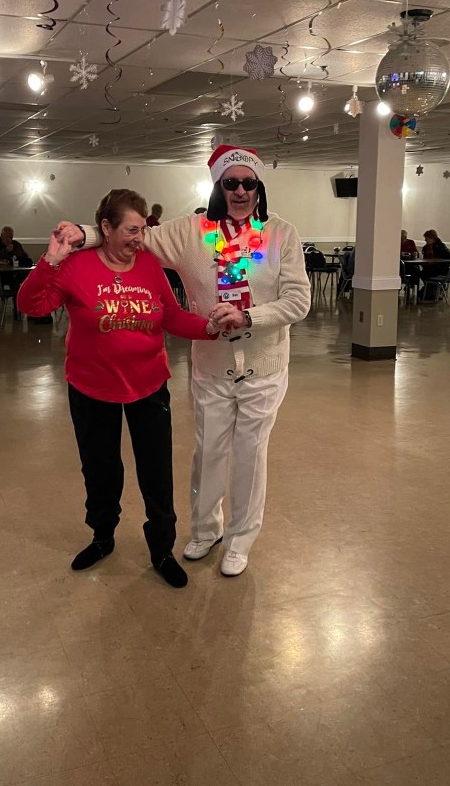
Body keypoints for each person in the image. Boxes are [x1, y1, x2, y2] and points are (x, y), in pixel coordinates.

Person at [60, 144, 311, 577]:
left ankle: (240, 538)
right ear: (218, 186)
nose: (240, 191)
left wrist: (250, 316)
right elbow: (131, 234)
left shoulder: (281, 234)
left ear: (258, 187)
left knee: (251, 456)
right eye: (231, 183)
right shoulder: (191, 232)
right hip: (212, 365)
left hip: (264, 366)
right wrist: (82, 233)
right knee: (208, 452)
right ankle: (206, 529)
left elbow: (298, 300)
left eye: (248, 183)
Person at [16, 189, 220, 589]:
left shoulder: (149, 265)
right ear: (105, 228)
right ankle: (102, 536)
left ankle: (162, 548)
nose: (139, 239)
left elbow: (172, 317)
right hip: (91, 387)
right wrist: (50, 261)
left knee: (156, 471)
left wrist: (210, 328)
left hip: (149, 385)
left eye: (142, 230)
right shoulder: (76, 266)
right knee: (101, 469)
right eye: (131, 230)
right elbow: (32, 305)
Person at [420, 229, 450, 300]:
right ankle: (432, 290)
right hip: (431, 267)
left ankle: (429, 291)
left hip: (441, 269)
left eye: (426, 238)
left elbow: (449, 258)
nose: (425, 240)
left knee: (425, 274)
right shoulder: (425, 248)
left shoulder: (441, 247)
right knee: (422, 273)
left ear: (432, 238)